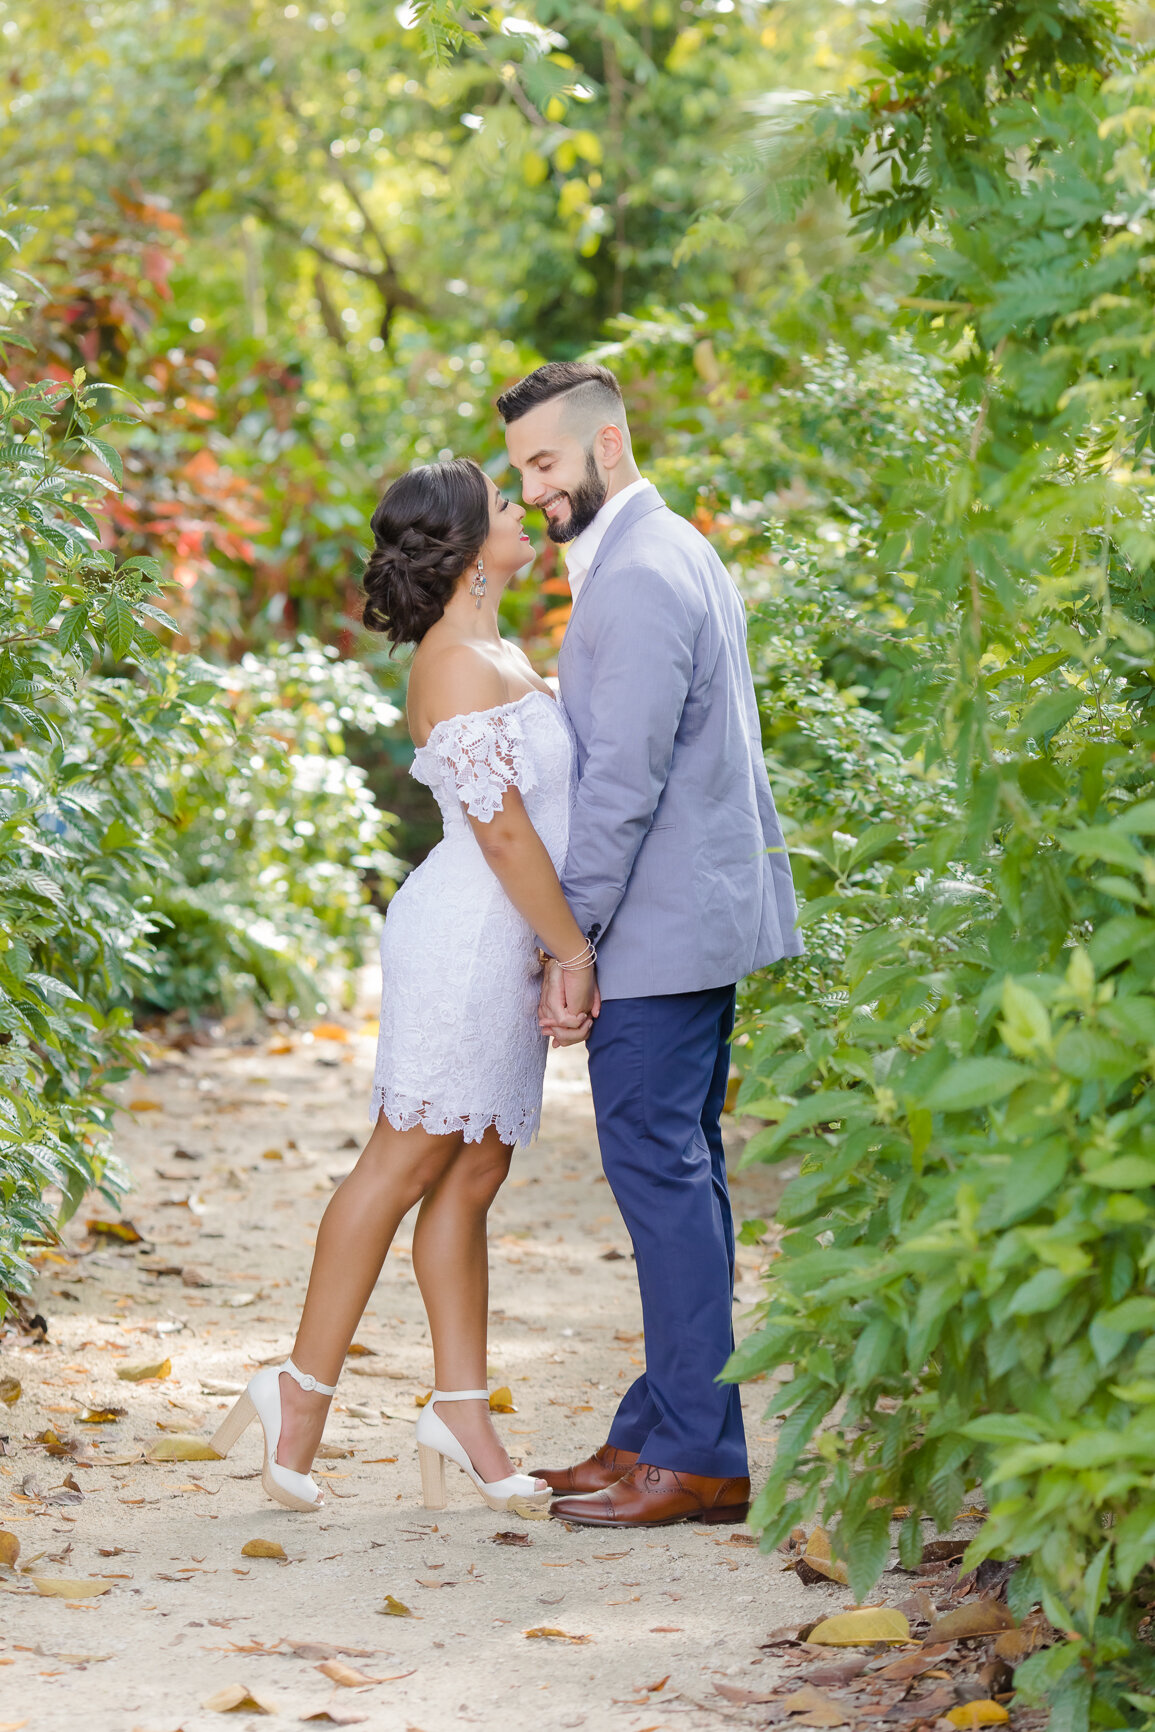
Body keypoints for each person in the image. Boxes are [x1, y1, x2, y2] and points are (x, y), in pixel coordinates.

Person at [210, 456, 594, 1515]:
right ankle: (298, 1393)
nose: (521, 510)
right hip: (473, 940)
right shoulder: (458, 664)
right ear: (471, 550)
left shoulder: (493, 645)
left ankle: (460, 1408)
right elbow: (506, 836)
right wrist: (573, 951)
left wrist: (553, 944)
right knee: (402, 1160)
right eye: (504, 503)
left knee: (474, 1175)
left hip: (508, 936)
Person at [499, 361, 802, 1529]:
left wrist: (568, 942)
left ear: (606, 443)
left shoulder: (633, 575)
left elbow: (622, 786)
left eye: (544, 463)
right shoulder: (672, 547)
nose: (532, 492)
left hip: (662, 934)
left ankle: (700, 1455)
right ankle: (655, 1429)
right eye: (522, 469)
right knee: (686, 1178)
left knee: (665, 1181)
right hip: (694, 920)